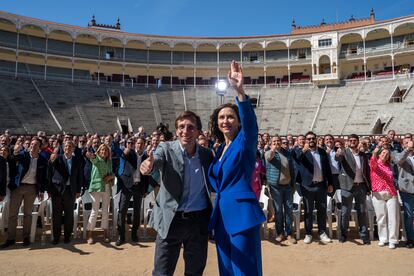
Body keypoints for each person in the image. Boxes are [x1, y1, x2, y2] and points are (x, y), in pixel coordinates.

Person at [208, 61, 266, 275]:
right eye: (222, 117)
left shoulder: (245, 141)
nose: (226, 120)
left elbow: (251, 126)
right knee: (227, 269)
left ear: (238, 122)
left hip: (241, 214)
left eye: (231, 117)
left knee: (246, 270)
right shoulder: (220, 149)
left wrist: (240, 91)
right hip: (221, 216)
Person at [140, 110, 214, 276]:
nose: (185, 131)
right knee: (162, 272)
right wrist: (148, 165)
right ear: (176, 131)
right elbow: (155, 160)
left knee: (195, 272)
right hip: (170, 220)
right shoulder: (165, 149)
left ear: (198, 131)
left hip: (198, 222)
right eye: (181, 127)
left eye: (190, 127)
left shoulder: (207, 155)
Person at [2, 138, 47, 248]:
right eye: (31, 144)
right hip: (18, 187)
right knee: (13, 214)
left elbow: (43, 176)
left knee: (28, 214)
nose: (32, 146)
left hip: (31, 189)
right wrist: (15, 151)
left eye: (35, 145)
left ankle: (26, 237)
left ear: (39, 147)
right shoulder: (23, 154)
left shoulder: (42, 159)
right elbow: (13, 158)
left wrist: (41, 190)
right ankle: (11, 238)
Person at [294, 131, 333, 244]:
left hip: (321, 185)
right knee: (308, 211)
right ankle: (308, 233)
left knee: (322, 210)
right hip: (308, 186)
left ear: (316, 139)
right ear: (306, 140)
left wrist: (330, 183)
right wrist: (304, 150)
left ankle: (322, 232)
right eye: (309, 139)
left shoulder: (322, 152)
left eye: (313, 138)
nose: (311, 140)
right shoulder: (301, 151)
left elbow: (328, 169)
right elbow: (297, 159)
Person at [334, 134, 371, 244]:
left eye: (354, 140)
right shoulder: (344, 152)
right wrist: (338, 154)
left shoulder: (363, 155)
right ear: (348, 142)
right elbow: (338, 158)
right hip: (347, 187)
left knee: (361, 212)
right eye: (350, 140)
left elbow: (366, 171)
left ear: (358, 141)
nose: (352, 142)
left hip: (361, 187)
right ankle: (343, 235)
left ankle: (364, 236)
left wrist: (368, 187)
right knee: (345, 212)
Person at [48, 141, 84, 244]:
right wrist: (51, 160)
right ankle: (56, 236)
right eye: (66, 146)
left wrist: (78, 190)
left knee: (69, 214)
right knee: (57, 214)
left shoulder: (77, 160)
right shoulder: (57, 158)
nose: (68, 148)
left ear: (73, 148)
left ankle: (67, 236)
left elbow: (79, 176)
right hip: (57, 190)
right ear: (63, 148)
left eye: (70, 146)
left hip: (70, 190)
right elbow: (50, 170)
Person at [115, 138, 149, 246]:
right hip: (127, 186)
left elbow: (147, 175)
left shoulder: (146, 157)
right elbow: (119, 152)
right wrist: (116, 140)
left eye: (141, 144)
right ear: (135, 145)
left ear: (144, 145)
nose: (139, 145)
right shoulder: (129, 153)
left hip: (139, 187)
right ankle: (121, 235)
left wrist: (145, 189)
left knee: (137, 212)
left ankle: (134, 234)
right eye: (137, 143)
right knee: (122, 209)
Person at [265, 135, 296, 244]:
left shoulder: (287, 153)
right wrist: (273, 149)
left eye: (278, 141)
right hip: (276, 187)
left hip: (288, 186)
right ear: (270, 143)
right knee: (278, 211)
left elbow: (292, 169)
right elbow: (268, 158)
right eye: (274, 141)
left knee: (289, 210)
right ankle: (279, 232)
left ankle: (289, 233)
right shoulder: (269, 152)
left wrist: (293, 185)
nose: (277, 142)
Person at [369, 146, 400, 249]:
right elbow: (373, 163)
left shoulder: (390, 166)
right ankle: (383, 238)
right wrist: (374, 153)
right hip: (378, 193)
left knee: (393, 218)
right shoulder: (374, 163)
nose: (385, 155)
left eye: (387, 154)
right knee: (381, 217)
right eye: (383, 153)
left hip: (391, 193)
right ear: (379, 154)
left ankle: (393, 240)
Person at [85, 144, 114, 244]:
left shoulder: (109, 161)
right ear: (99, 151)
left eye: (106, 150)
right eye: (102, 150)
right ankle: (89, 234)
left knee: (105, 211)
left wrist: (110, 176)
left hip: (107, 186)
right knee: (95, 211)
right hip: (96, 187)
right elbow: (93, 158)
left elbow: (112, 173)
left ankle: (105, 233)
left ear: (108, 152)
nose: (104, 151)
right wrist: (91, 155)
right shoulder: (96, 158)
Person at [394, 138, 414, 248]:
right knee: (409, 215)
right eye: (406, 143)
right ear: (403, 145)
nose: (410, 144)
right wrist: (407, 149)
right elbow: (398, 161)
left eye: (411, 142)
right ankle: (410, 238)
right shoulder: (398, 154)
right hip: (407, 189)